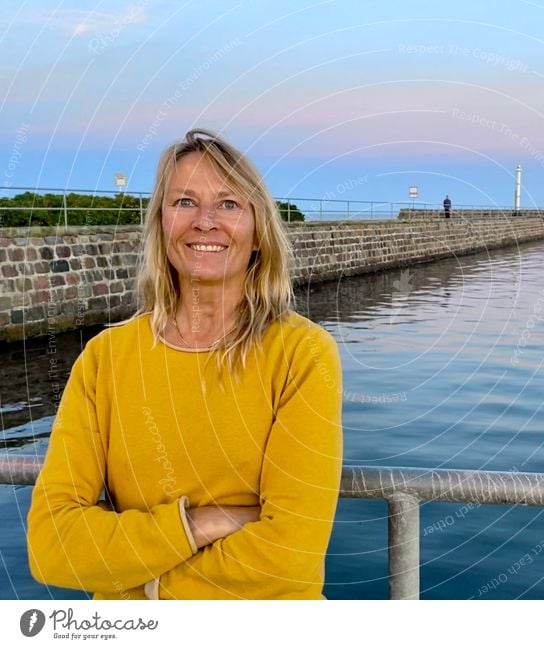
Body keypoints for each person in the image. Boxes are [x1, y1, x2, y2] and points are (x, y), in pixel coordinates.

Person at [27, 129, 343, 600]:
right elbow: (52, 547)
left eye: (229, 205)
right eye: (184, 202)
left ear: (258, 233)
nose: (205, 222)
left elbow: (289, 559)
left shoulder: (301, 353)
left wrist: (143, 584)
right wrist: (198, 525)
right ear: (161, 224)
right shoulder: (105, 359)